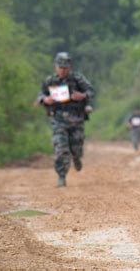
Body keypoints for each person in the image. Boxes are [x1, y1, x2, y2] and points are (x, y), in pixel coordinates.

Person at [37, 52, 95, 188]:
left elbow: (91, 91)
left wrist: (82, 96)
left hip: (76, 120)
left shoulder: (78, 79)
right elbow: (41, 94)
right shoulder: (50, 81)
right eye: (60, 67)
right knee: (60, 149)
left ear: (70, 67)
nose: (63, 70)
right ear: (55, 67)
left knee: (76, 148)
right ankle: (61, 176)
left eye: (66, 68)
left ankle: (76, 157)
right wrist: (45, 99)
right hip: (58, 120)